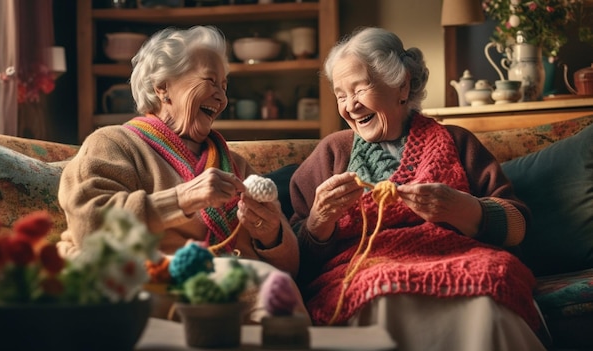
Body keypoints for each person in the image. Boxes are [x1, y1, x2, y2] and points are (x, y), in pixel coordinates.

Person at [289, 27, 548, 350]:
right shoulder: (331, 153)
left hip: (460, 256)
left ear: (402, 85)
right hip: (366, 269)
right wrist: (319, 221)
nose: (350, 106)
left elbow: (517, 227)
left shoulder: (457, 141)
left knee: (491, 279)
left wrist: (463, 208)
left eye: (359, 89)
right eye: (341, 95)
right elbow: (294, 259)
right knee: (377, 285)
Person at [57, 25, 305, 321]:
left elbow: (290, 268)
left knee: (276, 288)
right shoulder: (113, 143)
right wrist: (182, 198)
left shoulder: (235, 165)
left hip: (214, 282)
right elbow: (91, 227)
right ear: (162, 87)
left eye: (224, 86)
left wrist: (271, 234)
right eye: (210, 81)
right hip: (132, 277)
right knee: (266, 285)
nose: (221, 98)